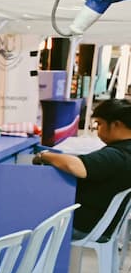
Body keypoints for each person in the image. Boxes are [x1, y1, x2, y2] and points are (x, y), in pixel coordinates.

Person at [34, 97, 131, 237]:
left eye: (99, 124)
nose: (97, 130)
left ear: (116, 124)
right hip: (102, 223)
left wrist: (44, 155)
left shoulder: (117, 155)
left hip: (83, 225)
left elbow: (76, 166)